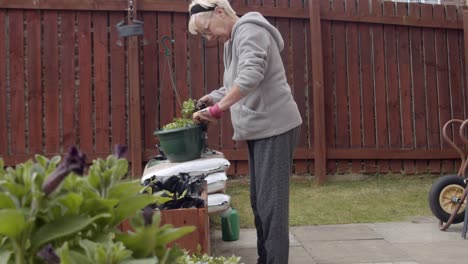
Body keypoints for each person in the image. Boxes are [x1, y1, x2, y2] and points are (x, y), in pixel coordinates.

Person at [188, 1, 302, 263]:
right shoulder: (233, 41)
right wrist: (213, 97)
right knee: (260, 203)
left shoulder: (250, 30)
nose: (209, 38)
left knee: (271, 207)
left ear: (219, 11)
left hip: (275, 127)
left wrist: (217, 110)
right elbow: (235, 83)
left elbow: (251, 75)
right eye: (204, 35)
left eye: (207, 30)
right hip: (259, 130)